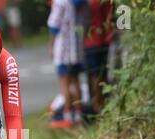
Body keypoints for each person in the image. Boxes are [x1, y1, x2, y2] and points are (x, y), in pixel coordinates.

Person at [47, 0, 86, 128]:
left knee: (65, 86)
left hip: (63, 50)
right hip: (78, 49)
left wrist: (51, 46)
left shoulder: (60, 2)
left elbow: (54, 25)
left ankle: (68, 119)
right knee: (76, 83)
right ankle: (80, 117)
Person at [83, 0, 114, 114]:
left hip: (92, 42)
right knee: (103, 74)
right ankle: (104, 105)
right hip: (105, 39)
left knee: (95, 75)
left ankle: (97, 107)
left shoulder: (90, 2)